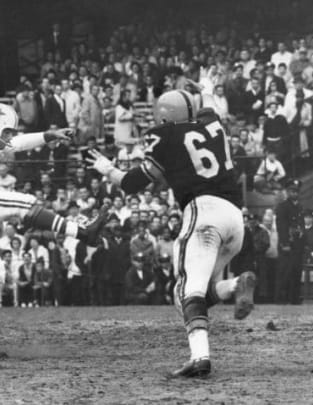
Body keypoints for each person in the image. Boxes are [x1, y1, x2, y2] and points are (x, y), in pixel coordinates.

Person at [86, 90, 256, 378]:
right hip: (234, 218)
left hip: (203, 214)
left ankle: (200, 357)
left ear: (165, 115)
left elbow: (132, 183)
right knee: (196, 294)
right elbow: (202, 122)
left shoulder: (164, 135)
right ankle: (236, 283)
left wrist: (107, 169)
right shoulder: (213, 126)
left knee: (185, 290)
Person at [0, 103, 105, 354]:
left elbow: (17, 143)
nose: (11, 136)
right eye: (8, 130)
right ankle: (83, 232)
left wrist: (48, 136)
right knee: (24, 202)